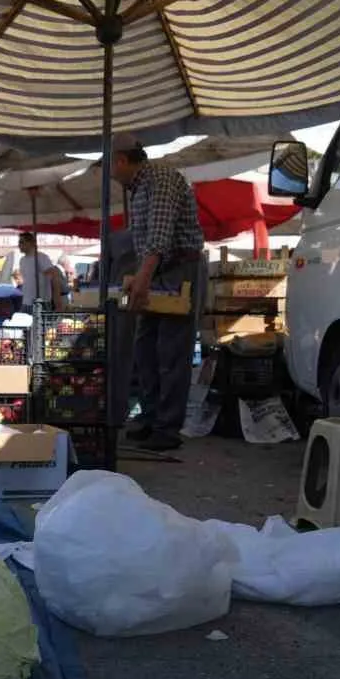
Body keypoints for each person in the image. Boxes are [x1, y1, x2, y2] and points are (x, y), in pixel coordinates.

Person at [111, 132, 206, 452]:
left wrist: (142, 277)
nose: (111, 175)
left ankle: (168, 427)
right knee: (146, 349)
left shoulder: (161, 178)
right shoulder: (139, 189)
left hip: (178, 270)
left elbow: (160, 237)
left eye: (111, 167)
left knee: (171, 351)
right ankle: (151, 418)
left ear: (122, 160)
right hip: (155, 270)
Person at [0, 233, 55, 310]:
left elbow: (54, 277)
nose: (19, 245)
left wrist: (56, 299)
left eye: (22, 242)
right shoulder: (22, 260)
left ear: (30, 243)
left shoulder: (41, 257)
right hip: (26, 301)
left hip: (40, 302)